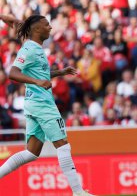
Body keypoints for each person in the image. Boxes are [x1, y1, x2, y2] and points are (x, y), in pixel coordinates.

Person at [0, 14, 94, 196]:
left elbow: (14, 22)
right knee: (63, 145)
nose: (50, 27)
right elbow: (12, 73)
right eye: (47, 25)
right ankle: (78, 192)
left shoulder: (34, 46)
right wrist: (36, 82)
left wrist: (60, 72)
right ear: (37, 29)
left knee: (31, 153)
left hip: (34, 104)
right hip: (42, 104)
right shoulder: (28, 49)